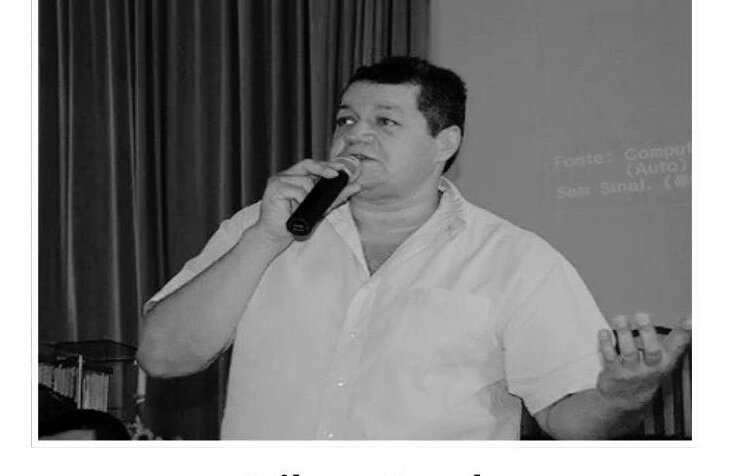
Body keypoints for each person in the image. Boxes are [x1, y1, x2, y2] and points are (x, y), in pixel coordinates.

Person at [137, 56, 692, 440]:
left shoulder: (514, 260)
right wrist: (264, 239)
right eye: (346, 119)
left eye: (385, 121)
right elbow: (162, 356)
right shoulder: (259, 227)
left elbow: (572, 423)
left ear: (444, 143)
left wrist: (622, 398)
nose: (356, 135)